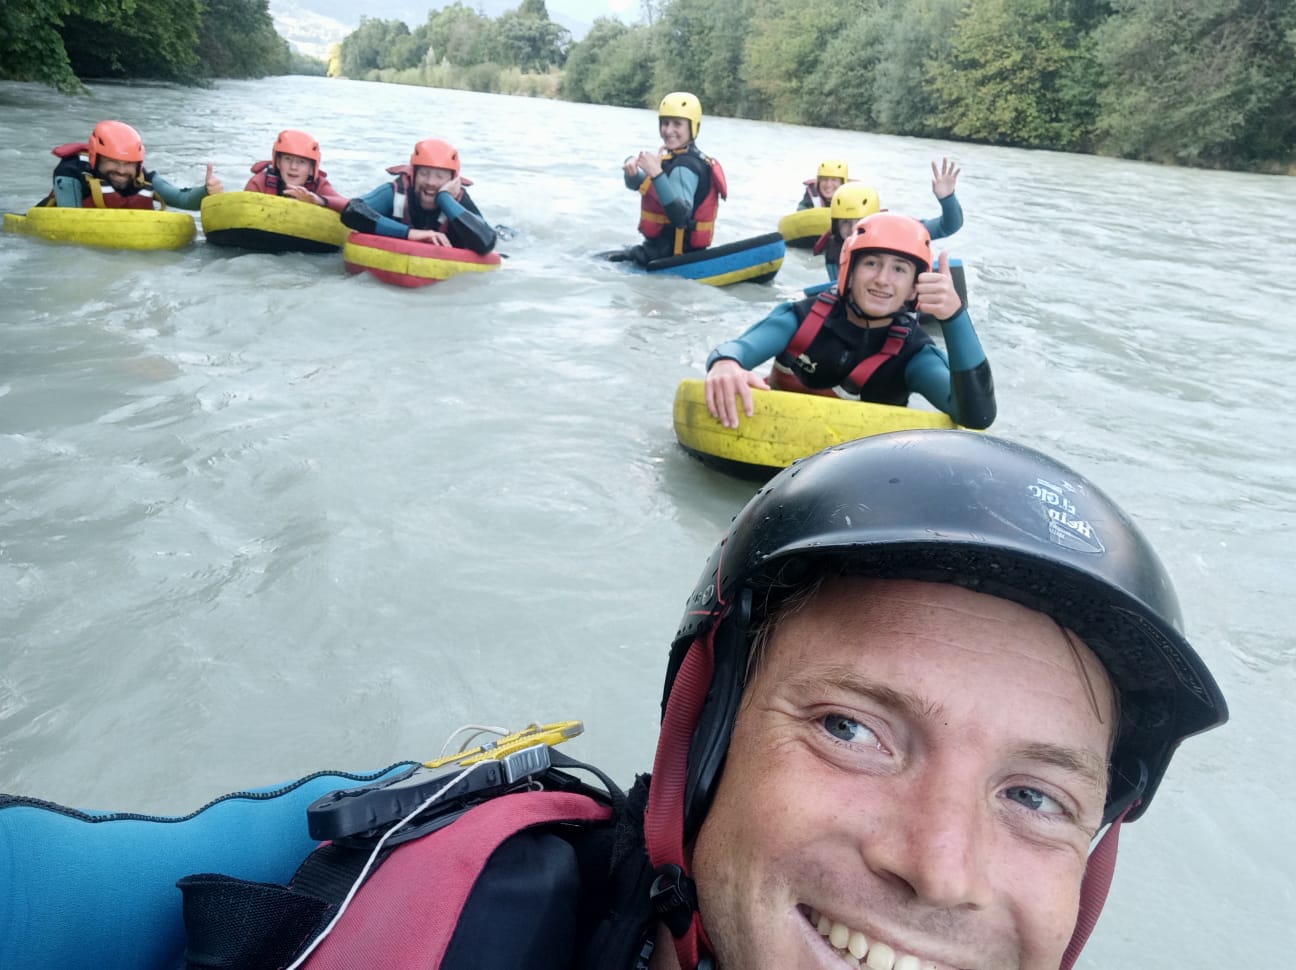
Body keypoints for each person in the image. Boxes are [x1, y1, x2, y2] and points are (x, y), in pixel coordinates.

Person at [0, 431, 1230, 970]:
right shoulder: (391, 890)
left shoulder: (916, 324)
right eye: (853, 727)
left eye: (1035, 793)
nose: (941, 868)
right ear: (700, 738)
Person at [705, 211, 997, 430]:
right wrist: (725, 364)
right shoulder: (801, 319)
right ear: (849, 271)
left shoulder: (914, 355)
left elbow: (977, 416)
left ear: (913, 287)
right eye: (871, 263)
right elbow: (739, 348)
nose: (882, 280)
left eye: (899, 269)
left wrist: (955, 317)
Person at [620, 92, 727, 265]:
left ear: (693, 127)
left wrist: (657, 174)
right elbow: (642, 186)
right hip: (663, 253)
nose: (668, 130)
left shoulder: (684, 167)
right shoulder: (676, 158)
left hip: (669, 258)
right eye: (665, 123)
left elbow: (681, 217)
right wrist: (630, 169)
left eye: (677, 124)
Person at [815, 158, 964, 283]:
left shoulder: (897, 232)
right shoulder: (833, 249)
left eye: (860, 221)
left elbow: (949, 226)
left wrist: (947, 198)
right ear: (836, 226)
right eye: (846, 222)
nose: (853, 229)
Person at [340, 138, 496, 254]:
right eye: (424, 173)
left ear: (453, 180)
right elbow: (351, 211)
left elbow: (486, 242)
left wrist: (444, 198)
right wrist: (410, 234)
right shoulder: (396, 192)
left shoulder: (459, 200)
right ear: (413, 174)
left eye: (440, 177)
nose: (430, 182)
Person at [43, 120, 223, 210]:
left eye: (128, 164)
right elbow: (69, 222)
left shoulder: (143, 178)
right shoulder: (71, 173)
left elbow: (183, 199)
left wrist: (207, 191)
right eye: (112, 162)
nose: (121, 171)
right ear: (95, 158)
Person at [244, 129, 347, 211]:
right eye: (287, 159)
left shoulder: (320, 185)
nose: (293, 167)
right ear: (278, 162)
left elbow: (349, 205)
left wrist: (320, 200)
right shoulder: (259, 182)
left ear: (311, 168)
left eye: (301, 162)